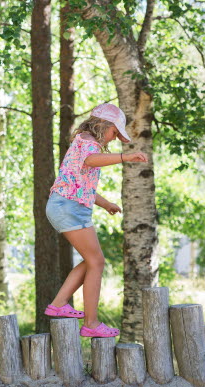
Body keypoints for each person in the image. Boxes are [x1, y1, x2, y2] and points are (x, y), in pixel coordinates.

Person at [44, 103, 148, 338]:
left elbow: (82, 183)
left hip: (67, 204)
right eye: (114, 133)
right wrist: (125, 156)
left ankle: (59, 303)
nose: (113, 139)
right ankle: (91, 323)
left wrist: (106, 204)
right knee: (97, 262)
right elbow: (91, 160)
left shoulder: (81, 142)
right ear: (104, 125)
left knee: (93, 261)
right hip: (69, 206)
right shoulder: (89, 142)